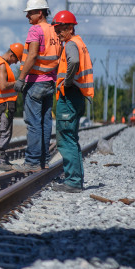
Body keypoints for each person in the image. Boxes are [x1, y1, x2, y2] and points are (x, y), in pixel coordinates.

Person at [13, 0, 61, 173]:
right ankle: (44, 161)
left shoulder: (35, 30)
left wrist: (21, 78)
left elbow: (32, 56)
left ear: (40, 13)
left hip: (35, 82)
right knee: (46, 123)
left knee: (33, 123)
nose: (27, 17)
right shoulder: (55, 31)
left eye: (30, 13)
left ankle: (32, 162)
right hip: (50, 82)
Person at [50, 10, 93, 193]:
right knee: (71, 138)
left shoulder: (70, 45)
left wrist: (66, 83)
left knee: (66, 138)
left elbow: (73, 62)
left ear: (69, 28)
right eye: (56, 30)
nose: (58, 33)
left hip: (70, 95)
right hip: (77, 95)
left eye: (60, 30)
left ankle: (73, 181)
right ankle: (75, 179)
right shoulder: (79, 42)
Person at [0, 42, 23, 169]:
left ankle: (1, 157)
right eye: (16, 59)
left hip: (5, 103)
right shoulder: (2, 65)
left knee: (4, 130)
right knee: (4, 131)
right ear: (11, 54)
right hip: (4, 103)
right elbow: (3, 86)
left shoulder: (3, 64)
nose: (15, 62)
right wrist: (18, 83)